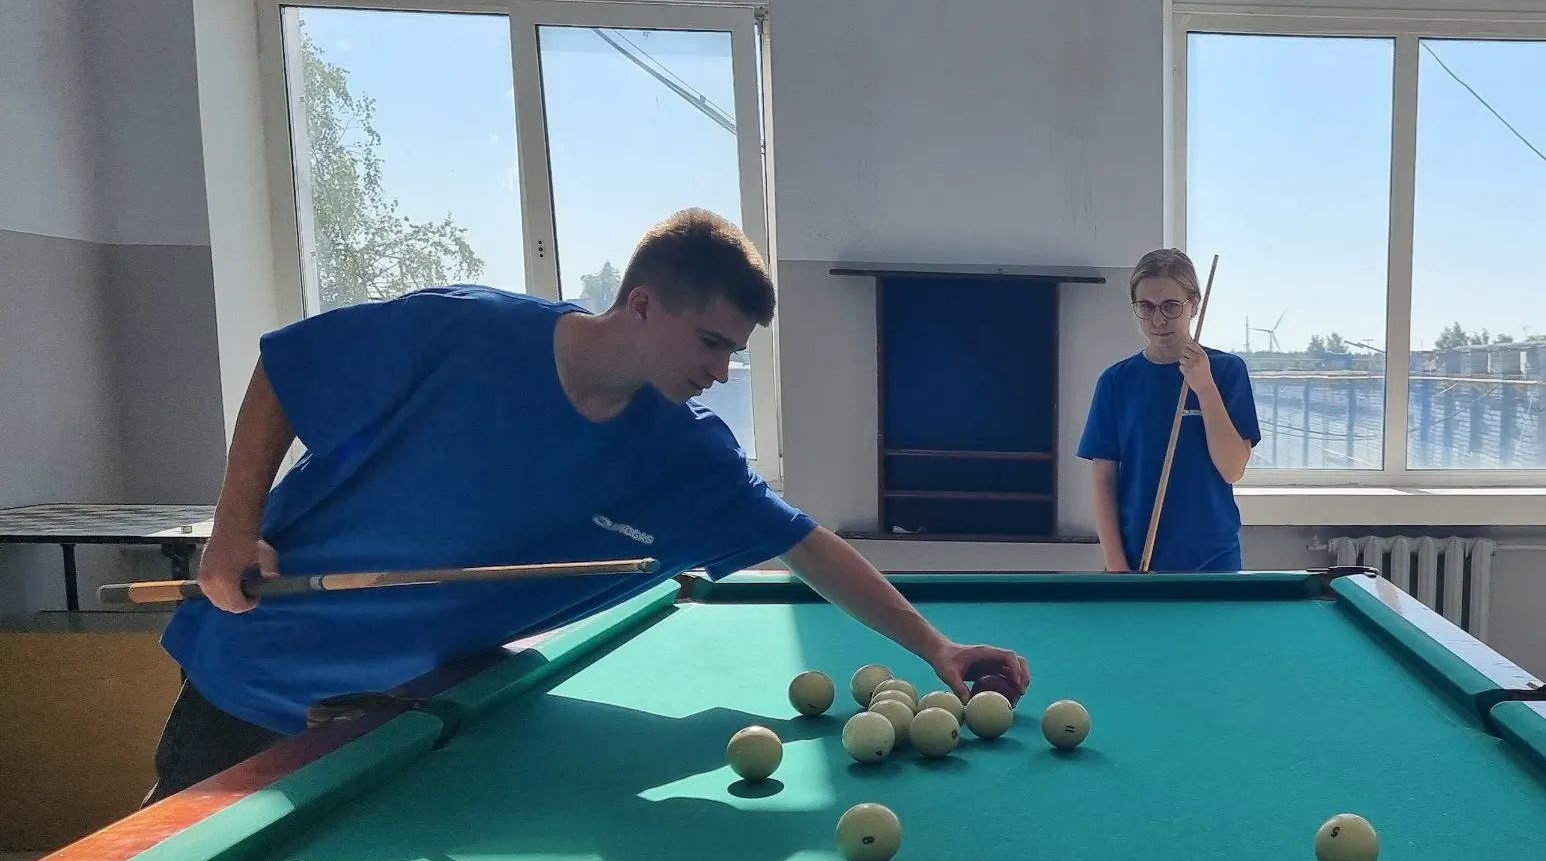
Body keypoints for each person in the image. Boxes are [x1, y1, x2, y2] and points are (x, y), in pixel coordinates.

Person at [150, 208, 1029, 802]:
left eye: (733, 350)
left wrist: (937, 646)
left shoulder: (685, 453)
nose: (719, 370)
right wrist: (233, 529)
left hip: (410, 714)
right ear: (642, 304)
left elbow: (805, 543)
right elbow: (286, 371)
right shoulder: (464, 330)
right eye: (710, 341)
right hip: (258, 677)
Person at [1079, 248, 1260, 572]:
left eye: (1171, 306)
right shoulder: (1115, 381)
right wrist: (1116, 564)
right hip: (1136, 561)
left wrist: (1204, 387)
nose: (1158, 319)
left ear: (1194, 305)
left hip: (1213, 562)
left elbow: (1232, 469)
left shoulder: (1227, 371)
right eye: (1146, 306)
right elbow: (1103, 480)